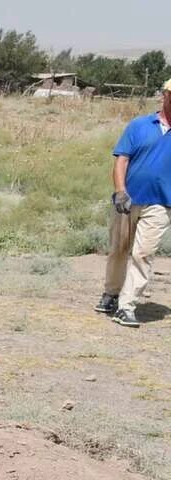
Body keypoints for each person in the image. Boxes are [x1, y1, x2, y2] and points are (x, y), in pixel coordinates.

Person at [100, 79, 171, 326]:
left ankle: (127, 306)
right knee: (119, 249)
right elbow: (121, 160)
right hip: (129, 198)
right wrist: (120, 191)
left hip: (162, 204)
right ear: (165, 95)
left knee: (144, 253)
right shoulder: (139, 125)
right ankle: (111, 292)